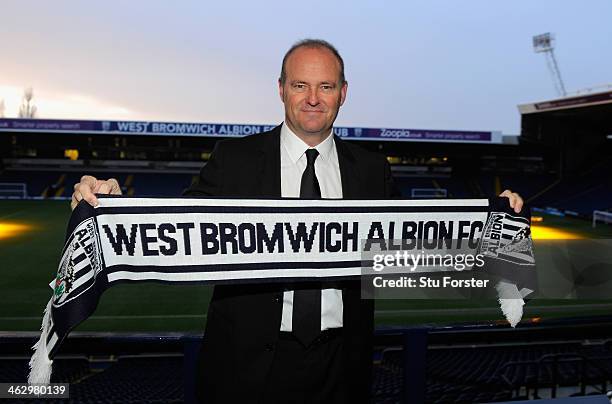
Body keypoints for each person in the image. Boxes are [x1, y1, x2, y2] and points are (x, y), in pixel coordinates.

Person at [71, 39, 524, 403]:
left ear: (343, 93)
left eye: (326, 87)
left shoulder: (370, 169)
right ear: (282, 88)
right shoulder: (236, 160)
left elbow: (413, 246)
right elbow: (179, 229)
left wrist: (495, 219)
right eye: (301, 85)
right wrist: (112, 206)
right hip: (245, 369)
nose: (312, 99)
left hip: (341, 367)